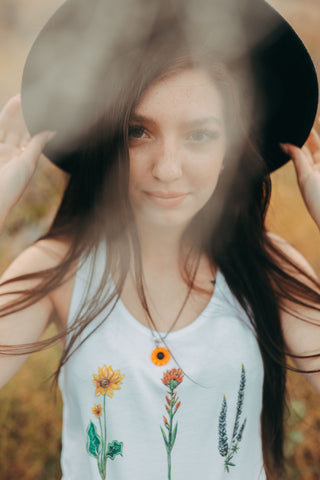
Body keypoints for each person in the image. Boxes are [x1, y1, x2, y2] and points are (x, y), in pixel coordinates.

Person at [0, 0, 320, 479]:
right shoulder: (58, 269)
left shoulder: (272, 272)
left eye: (199, 135)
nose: (167, 169)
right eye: (138, 132)